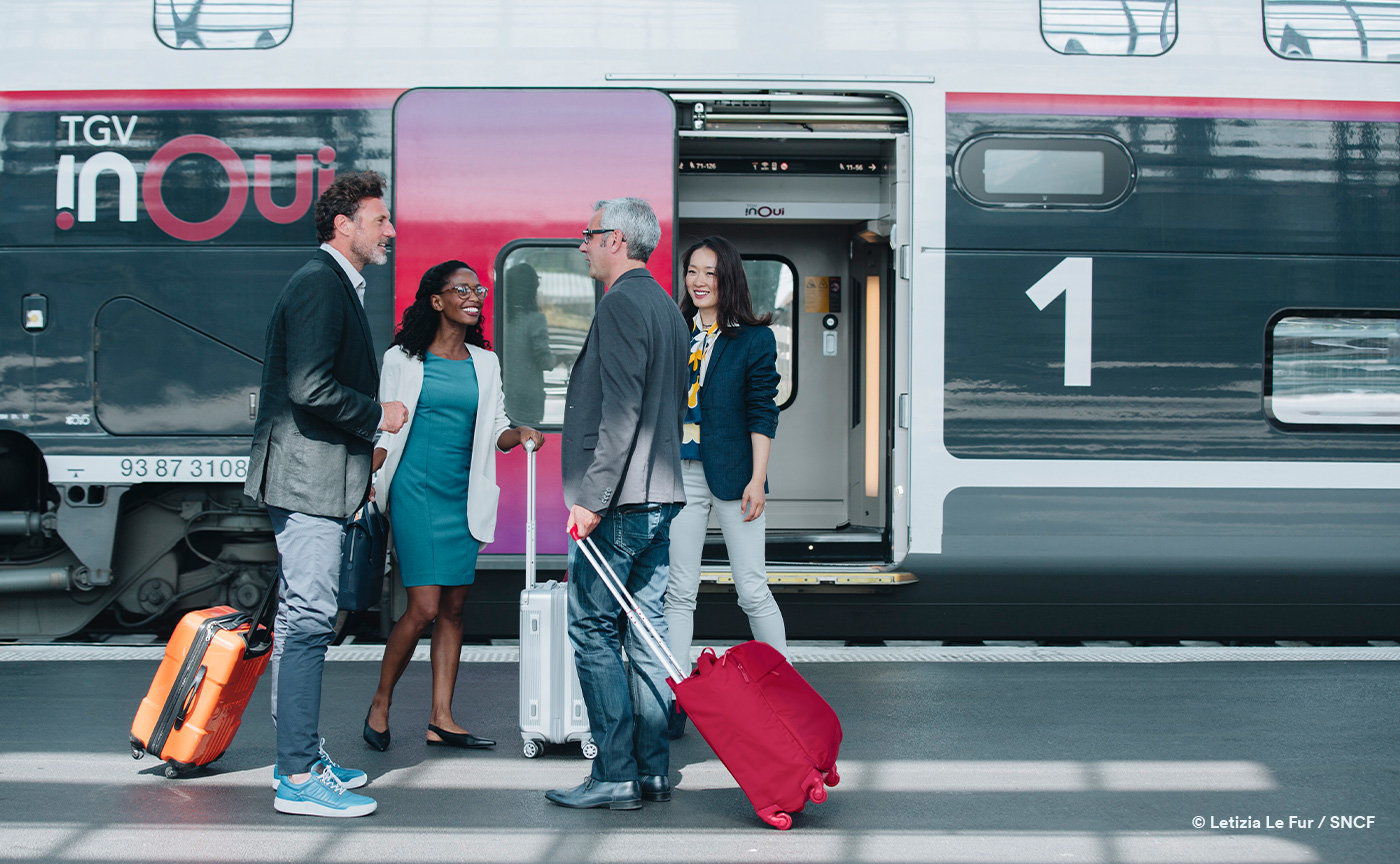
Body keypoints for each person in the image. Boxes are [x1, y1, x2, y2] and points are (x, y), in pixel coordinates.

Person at [245, 170, 407, 818]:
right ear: (344, 225)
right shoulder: (320, 284)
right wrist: (377, 414)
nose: (389, 229)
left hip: (318, 476)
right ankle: (296, 778)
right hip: (307, 482)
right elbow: (310, 386)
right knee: (308, 622)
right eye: (379, 218)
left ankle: (305, 757)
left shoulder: (336, 284)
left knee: (304, 620)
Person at [363, 260, 544, 752]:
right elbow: (384, 425)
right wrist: (366, 479)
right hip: (415, 491)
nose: (474, 296)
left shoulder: (485, 363)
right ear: (435, 300)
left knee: (455, 607)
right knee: (422, 607)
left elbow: (495, 428)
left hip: (464, 495)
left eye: (477, 288)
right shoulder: (402, 358)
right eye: (460, 289)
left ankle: (441, 716)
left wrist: (520, 434)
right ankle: (381, 702)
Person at [546, 197, 688, 811]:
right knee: (649, 636)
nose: (581, 244)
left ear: (618, 241)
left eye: (589, 234)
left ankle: (613, 773)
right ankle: (651, 771)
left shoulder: (623, 303)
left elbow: (622, 411)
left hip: (620, 503)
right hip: (658, 498)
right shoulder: (666, 308)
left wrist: (591, 499)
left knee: (593, 629)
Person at [663, 237, 785, 736]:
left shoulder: (754, 339)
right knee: (678, 591)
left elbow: (763, 410)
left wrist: (758, 478)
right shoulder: (676, 331)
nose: (698, 281)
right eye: (692, 271)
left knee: (752, 588)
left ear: (727, 278)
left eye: (709, 273)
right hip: (683, 473)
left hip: (736, 477)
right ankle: (673, 699)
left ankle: (783, 690)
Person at [501, 263, 556, 427]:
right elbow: (544, 360)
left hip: (505, 393)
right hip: (529, 398)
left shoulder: (502, 319)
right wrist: (557, 359)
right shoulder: (535, 320)